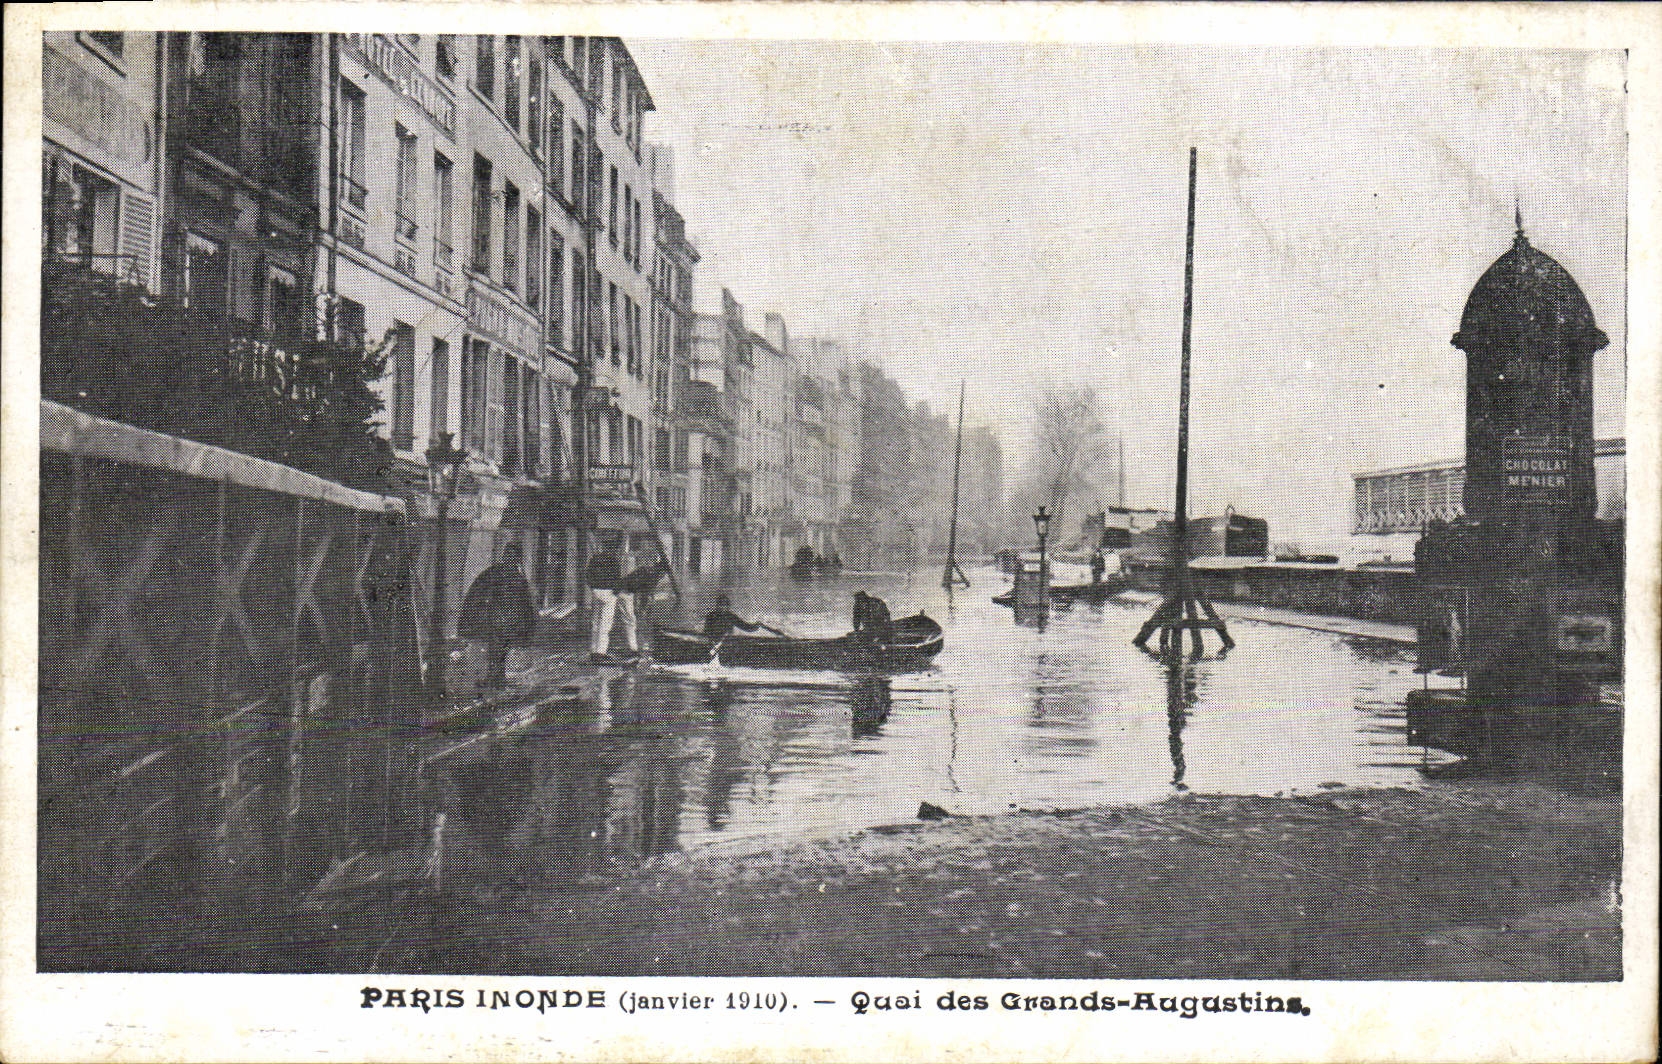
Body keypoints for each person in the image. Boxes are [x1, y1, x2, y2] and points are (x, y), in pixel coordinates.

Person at [458, 542, 536, 689]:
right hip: (498, 620)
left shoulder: (516, 578)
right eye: (508, 555)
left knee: (499, 650)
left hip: (507, 621)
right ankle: (496, 678)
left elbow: (525, 602)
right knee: (497, 650)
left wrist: (526, 621)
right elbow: (478, 590)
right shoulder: (497, 573)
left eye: (512, 556)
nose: (509, 558)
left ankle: (496, 679)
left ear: (517, 559)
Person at [587, 536, 635, 662]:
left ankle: (593, 651)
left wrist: (593, 588)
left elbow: (588, 576)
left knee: (596, 622)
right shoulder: (613, 561)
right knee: (605, 624)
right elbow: (617, 579)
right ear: (614, 548)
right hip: (609, 593)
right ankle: (600, 653)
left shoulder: (595, 558)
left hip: (596, 592)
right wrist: (616, 591)